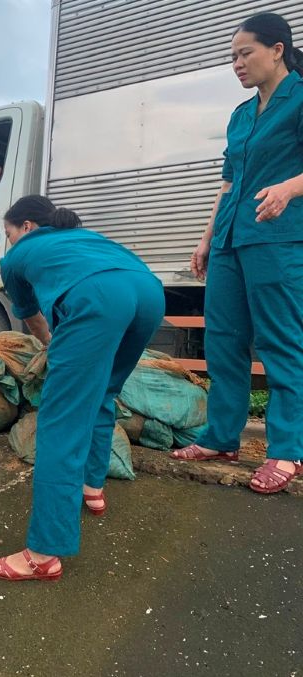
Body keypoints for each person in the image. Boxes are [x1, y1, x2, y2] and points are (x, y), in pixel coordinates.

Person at [0, 195, 164, 582]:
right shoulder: (85, 238)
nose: (9, 240)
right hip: (148, 291)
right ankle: (91, 489)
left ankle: (43, 554)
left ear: (27, 226)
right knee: (103, 394)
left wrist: (53, 346)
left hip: (97, 297)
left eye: (9, 232)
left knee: (61, 421)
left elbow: (31, 318)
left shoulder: (17, 258)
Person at [172, 12, 303, 494]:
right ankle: (222, 437)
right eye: (232, 56)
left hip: (279, 238)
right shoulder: (241, 114)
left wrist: (289, 188)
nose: (237, 63)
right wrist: (207, 238)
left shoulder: (300, 100)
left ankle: (288, 450)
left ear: (277, 49)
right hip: (230, 240)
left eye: (245, 52)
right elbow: (227, 185)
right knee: (224, 342)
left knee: (281, 343)